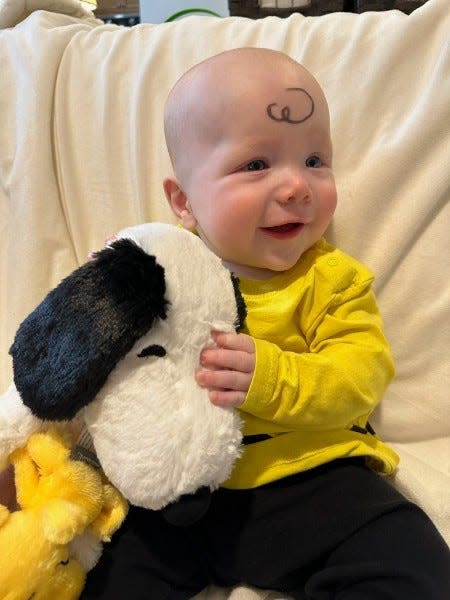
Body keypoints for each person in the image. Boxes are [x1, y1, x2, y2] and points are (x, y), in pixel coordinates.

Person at [81, 47, 448, 598]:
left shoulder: (331, 278)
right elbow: (99, 369)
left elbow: (360, 377)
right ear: (184, 202)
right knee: (99, 573)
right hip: (180, 496)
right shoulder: (159, 268)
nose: (297, 186)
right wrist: (100, 295)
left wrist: (270, 377)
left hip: (314, 480)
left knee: (415, 562)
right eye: (256, 165)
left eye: (315, 160)